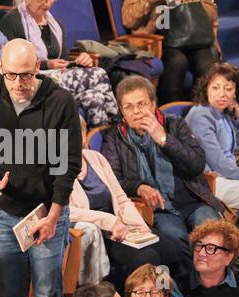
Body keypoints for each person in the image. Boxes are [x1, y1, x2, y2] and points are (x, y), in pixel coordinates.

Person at [0, 38, 81, 297]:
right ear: (0, 67)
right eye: (11, 75)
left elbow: (67, 167)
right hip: (6, 212)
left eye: (26, 75)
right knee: (9, 294)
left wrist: (54, 218)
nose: (18, 83)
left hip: (45, 212)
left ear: (37, 66)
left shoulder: (61, 101)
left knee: (46, 293)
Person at [101, 75, 227, 273]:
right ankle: (192, 287)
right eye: (128, 106)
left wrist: (164, 138)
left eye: (141, 104)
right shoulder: (115, 138)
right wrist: (138, 187)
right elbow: (112, 180)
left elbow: (196, 164)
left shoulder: (175, 125)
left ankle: (222, 283)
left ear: (153, 104)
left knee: (214, 233)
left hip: (191, 199)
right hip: (158, 208)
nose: (136, 111)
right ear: (122, 111)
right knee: (177, 241)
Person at [69, 116, 180, 288]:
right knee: (147, 257)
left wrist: (139, 225)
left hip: (124, 224)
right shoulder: (53, 170)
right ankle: (138, 296)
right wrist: (110, 221)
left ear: (83, 135)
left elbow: (121, 199)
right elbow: (68, 212)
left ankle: (162, 293)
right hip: (101, 234)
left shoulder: (96, 158)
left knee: (170, 249)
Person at [0, 0, 119, 127]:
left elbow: (64, 59)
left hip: (59, 77)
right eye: (41, 0)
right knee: (98, 73)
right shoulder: (11, 22)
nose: (47, 4)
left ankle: (103, 139)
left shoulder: (55, 24)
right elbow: (14, 61)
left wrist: (79, 61)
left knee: (94, 97)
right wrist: (47, 65)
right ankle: (118, 129)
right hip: (33, 79)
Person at [122, 0, 220, 104]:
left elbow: (213, 14)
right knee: (176, 61)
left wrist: (190, 3)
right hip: (161, 42)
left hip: (197, 39)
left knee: (207, 64)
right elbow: (128, 20)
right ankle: (171, 112)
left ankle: (206, 111)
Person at [185, 62, 239, 209]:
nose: (222, 94)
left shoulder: (224, 113)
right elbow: (217, 161)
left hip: (228, 176)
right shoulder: (200, 115)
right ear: (206, 88)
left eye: (228, 89)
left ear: (235, 92)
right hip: (211, 181)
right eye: (215, 87)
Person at [174, 219, 239, 297]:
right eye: (198, 246)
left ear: (228, 257)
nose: (201, 253)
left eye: (210, 248)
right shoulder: (178, 286)